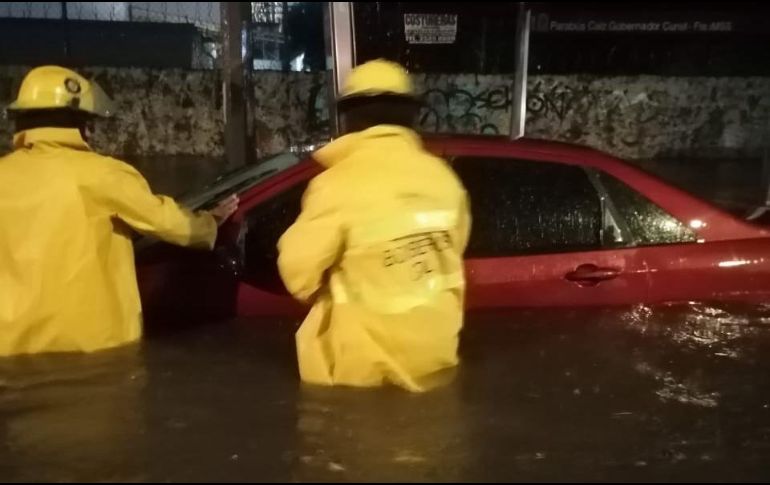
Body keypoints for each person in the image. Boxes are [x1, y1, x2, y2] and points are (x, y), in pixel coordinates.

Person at [0, 65, 238, 356]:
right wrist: (210, 223)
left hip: (11, 344)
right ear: (82, 126)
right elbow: (168, 222)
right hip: (92, 341)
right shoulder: (103, 174)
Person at [278, 59, 471, 392]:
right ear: (410, 115)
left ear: (351, 117)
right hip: (434, 358)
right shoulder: (444, 179)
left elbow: (297, 274)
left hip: (364, 371)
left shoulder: (337, 183)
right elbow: (456, 243)